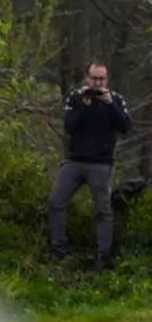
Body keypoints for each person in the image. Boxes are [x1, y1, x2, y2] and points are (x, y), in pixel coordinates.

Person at [48, 62, 133, 270]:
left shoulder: (117, 99)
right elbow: (69, 127)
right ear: (87, 78)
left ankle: (103, 256)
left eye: (101, 79)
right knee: (56, 201)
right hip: (75, 160)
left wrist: (110, 104)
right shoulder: (76, 98)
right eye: (94, 78)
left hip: (101, 163)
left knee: (102, 210)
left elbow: (125, 127)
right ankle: (58, 250)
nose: (98, 83)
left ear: (107, 79)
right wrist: (84, 106)